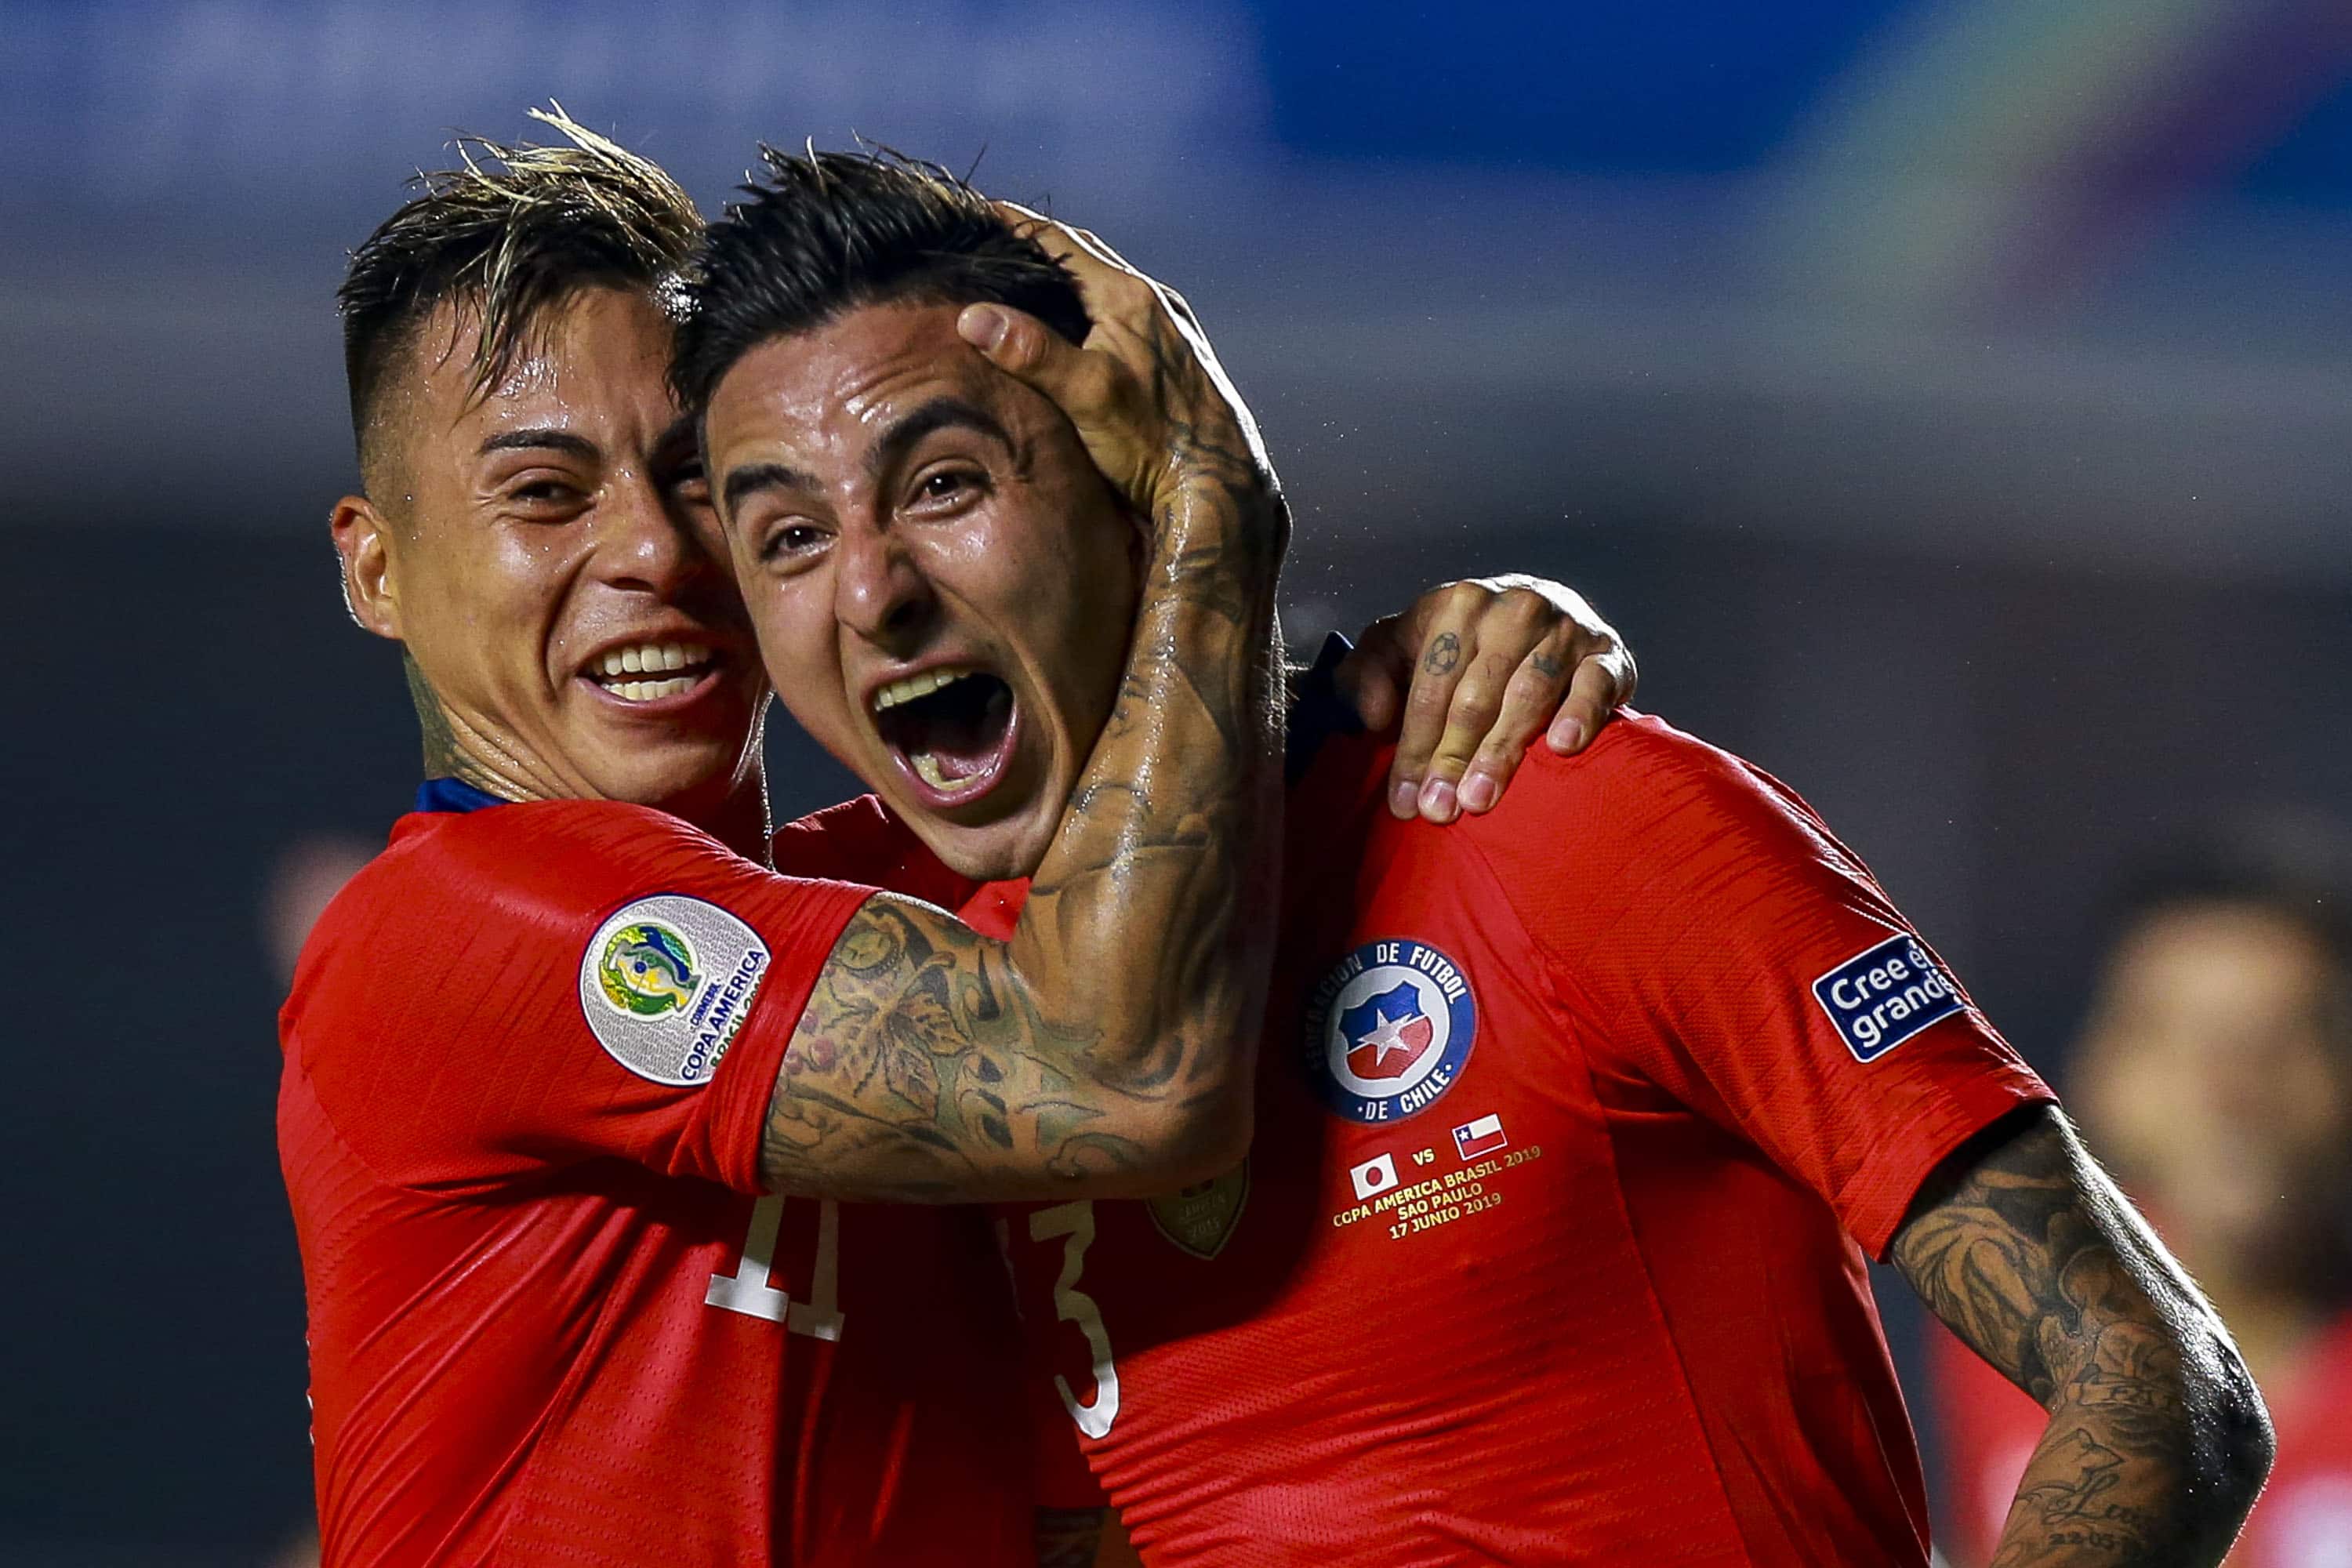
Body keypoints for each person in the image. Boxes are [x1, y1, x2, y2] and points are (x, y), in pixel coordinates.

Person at [678, 147, 2276, 1568]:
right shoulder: (902, 1012)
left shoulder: (1557, 813)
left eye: (945, 485)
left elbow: (2156, 1385)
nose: (872, 590)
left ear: (1137, 486)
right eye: (790, 538)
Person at [281, 111, 1638, 1567]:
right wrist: (1212, 513)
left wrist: (1451, 662)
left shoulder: (929, 908)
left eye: (691, 481)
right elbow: (1120, 1075)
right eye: (546, 496)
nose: (657, 554)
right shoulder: (451, 931)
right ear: (376, 568)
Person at [1932, 824, 2352, 1566]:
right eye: (2174, 1036)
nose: (2230, 1092)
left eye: (2284, 1037)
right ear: (2097, 1069)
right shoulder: (2003, 1321)